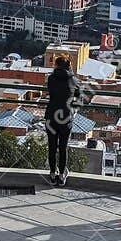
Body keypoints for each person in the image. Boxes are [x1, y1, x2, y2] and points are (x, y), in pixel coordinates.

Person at [44, 56, 78, 186]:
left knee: (52, 146)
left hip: (51, 116)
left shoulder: (51, 79)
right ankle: (62, 175)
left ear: (57, 65)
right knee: (63, 147)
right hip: (66, 117)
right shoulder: (73, 80)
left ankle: (52, 174)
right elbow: (80, 95)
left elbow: (51, 92)